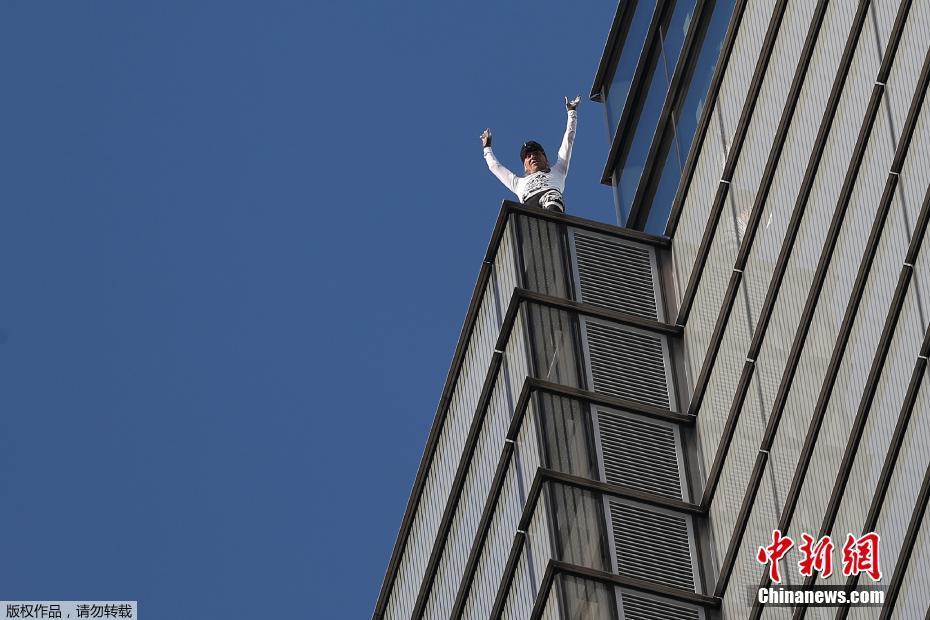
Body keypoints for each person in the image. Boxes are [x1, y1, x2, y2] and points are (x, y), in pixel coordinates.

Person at [481, 96, 580, 213]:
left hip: (551, 197)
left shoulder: (559, 169)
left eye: (536, 153)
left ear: (546, 159)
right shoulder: (517, 183)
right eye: (528, 156)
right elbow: (495, 167)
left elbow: (568, 140)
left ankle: (555, 222)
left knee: (553, 197)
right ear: (524, 165)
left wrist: (572, 112)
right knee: (523, 213)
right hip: (529, 206)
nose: (533, 157)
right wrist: (487, 148)